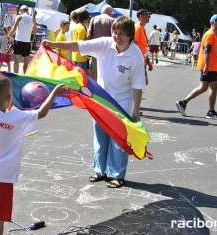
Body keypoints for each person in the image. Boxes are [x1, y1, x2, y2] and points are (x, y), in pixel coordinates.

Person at [42, 16, 146, 188]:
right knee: (100, 134)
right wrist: (54, 45)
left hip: (122, 101)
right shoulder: (105, 44)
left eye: (121, 34)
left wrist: (136, 110)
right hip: (101, 98)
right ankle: (100, 170)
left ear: (129, 36)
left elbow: (137, 85)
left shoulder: (135, 54)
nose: (116, 36)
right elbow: (77, 45)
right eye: (115, 32)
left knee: (118, 138)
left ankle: (117, 174)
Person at [0, 68, 67, 235]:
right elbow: (41, 113)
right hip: (2, 178)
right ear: (8, 98)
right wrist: (55, 92)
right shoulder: (16, 118)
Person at [176, 14, 217, 120]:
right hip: (210, 66)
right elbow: (206, 51)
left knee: (203, 87)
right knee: (214, 87)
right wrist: (207, 66)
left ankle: (183, 102)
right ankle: (211, 112)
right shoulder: (210, 34)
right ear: (213, 22)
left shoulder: (213, 34)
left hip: (209, 65)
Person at [87, 4, 114, 81]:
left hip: (95, 47)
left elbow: (89, 34)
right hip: (107, 48)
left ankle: (96, 86)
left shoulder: (93, 19)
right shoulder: (112, 20)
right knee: (105, 68)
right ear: (108, 11)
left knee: (94, 68)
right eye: (111, 11)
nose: (112, 13)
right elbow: (113, 36)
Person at [8, 5, 37, 74]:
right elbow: (35, 31)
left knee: (17, 60)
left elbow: (14, 29)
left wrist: (8, 36)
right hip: (27, 42)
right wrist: (28, 31)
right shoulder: (33, 19)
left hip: (18, 40)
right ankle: (24, 75)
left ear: (22, 10)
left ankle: (15, 75)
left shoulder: (19, 17)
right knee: (25, 61)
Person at [134, 9, 153, 85]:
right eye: (147, 14)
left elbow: (143, 48)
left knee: (143, 83)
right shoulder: (138, 28)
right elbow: (133, 45)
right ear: (140, 17)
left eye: (149, 15)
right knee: (141, 83)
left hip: (141, 60)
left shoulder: (142, 28)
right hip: (137, 61)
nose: (149, 16)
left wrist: (148, 62)